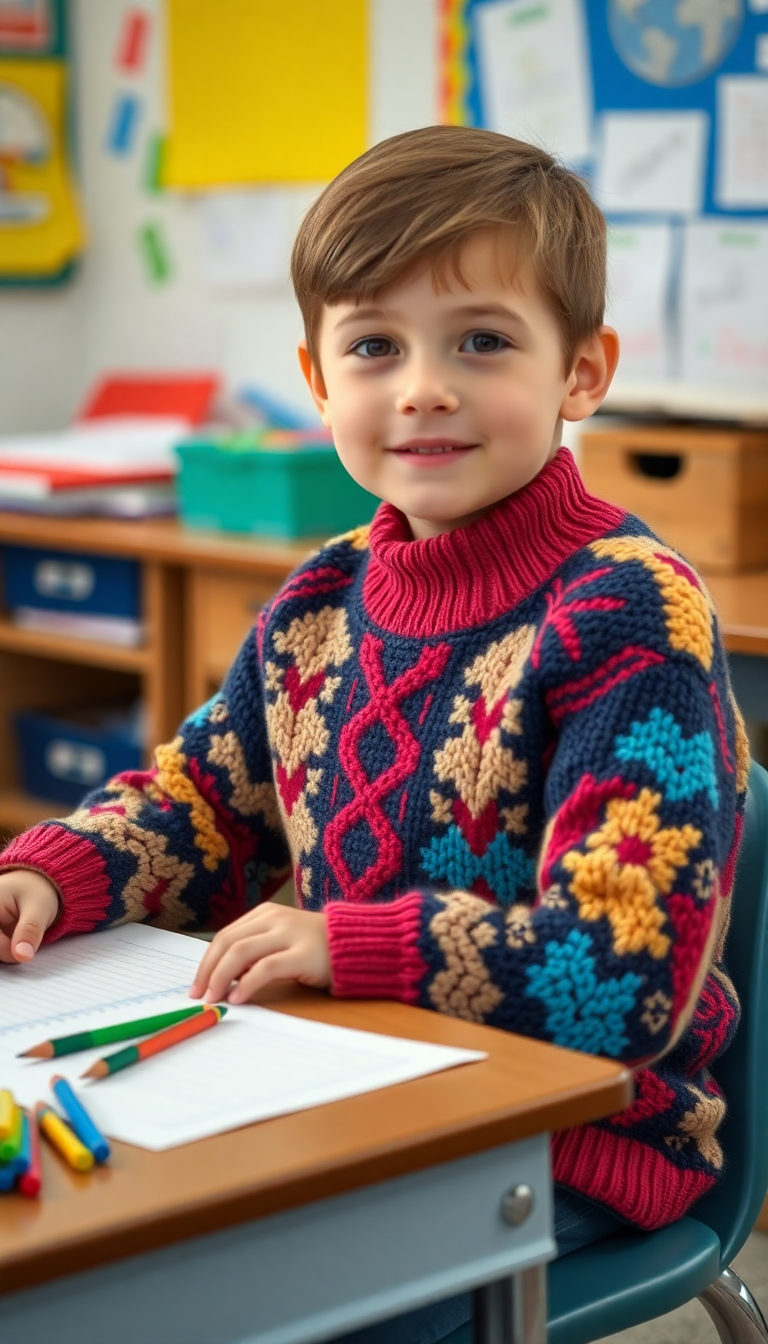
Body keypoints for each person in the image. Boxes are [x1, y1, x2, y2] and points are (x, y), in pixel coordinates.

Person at [0, 127, 747, 1343]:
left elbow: (626, 974)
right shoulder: (318, 603)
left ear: (582, 372)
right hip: (345, 1084)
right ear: (317, 379)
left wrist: (354, 945)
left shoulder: (627, 609)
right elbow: (201, 806)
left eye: (483, 342)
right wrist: (54, 870)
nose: (423, 388)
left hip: (570, 1136)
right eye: (375, 347)